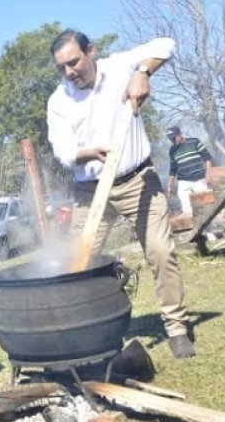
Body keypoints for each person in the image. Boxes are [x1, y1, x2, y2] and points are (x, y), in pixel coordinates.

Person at [46, 29, 195, 359]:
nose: (70, 72)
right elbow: (62, 150)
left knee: (159, 250)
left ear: (91, 52)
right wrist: (88, 153)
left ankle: (176, 328)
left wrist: (142, 73)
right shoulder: (59, 101)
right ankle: (86, 333)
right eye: (62, 67)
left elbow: (166, 45)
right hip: (90, 190)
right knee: (79, 263)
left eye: (74, 62)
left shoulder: (119, 67)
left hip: (136, 180)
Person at [164, 126, 212, 218]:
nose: (172, 140)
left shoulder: (195, 142)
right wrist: (169, 186)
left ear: (180, 134)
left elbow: (207, 158)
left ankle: (210, 227)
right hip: (184, 182)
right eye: (170, 139)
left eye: (174, 138)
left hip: (199, 179)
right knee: (187, 211)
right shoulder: (172, 150)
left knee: (205, 206)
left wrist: (208, 174)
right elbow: (173, 169)